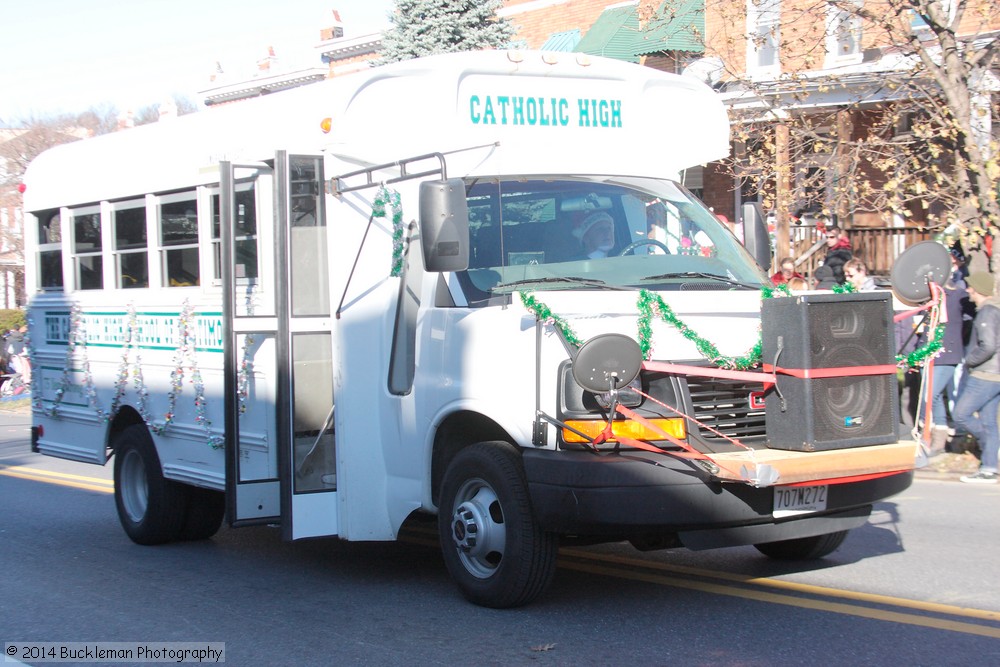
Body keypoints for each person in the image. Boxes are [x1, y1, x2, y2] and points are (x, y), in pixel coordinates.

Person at [953, 272, 1000, 483]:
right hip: (994, 374)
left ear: (979, 289)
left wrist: (970, 360)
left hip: (984, 374)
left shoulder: (987, 313)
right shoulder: (993, 310)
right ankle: (989, 468)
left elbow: (988, 345)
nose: (968, 290)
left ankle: (990, 447)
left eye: (971, 287)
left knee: (961, 414)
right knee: (989, 422)